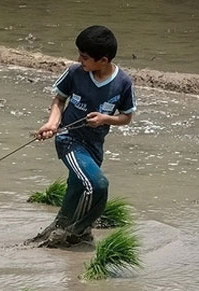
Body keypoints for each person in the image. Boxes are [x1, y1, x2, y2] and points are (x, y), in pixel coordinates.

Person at [29, 25, 136, 247]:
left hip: (95, 145)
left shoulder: (123, 83)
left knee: (77, 186)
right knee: (98, 184)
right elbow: (59, 100)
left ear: (104, 60)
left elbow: (126, 117)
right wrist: (51, 123)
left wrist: (105, 119)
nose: (79, 60)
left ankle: (59, 227)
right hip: (69, 139)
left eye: (85, 57)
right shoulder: (75, 73)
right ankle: (78, 231)